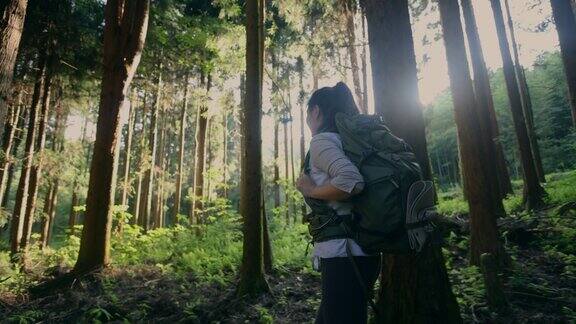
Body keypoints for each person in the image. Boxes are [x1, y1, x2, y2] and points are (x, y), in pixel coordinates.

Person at [296, 82, 380, 324]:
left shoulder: (322, 142)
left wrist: (311, 189)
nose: (307, 119)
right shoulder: (349, 141)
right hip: (362, 250)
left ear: (316, 111)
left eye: (307, 113)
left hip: (344, 254)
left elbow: (352, 182)